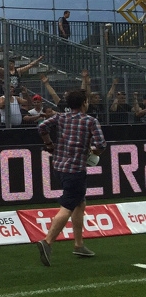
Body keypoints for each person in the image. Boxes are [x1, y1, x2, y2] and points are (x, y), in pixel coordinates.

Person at [35, 88, 106, 266]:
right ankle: (48, 241)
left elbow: (42, 126)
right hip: (75, 169)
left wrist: (49, 144)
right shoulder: (90, 121)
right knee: (68, 205)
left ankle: (78, 244)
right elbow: (101, 144)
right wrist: (93, 151)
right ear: (84, 104)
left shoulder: (60, 117)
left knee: (79, 203)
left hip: (59, 167)